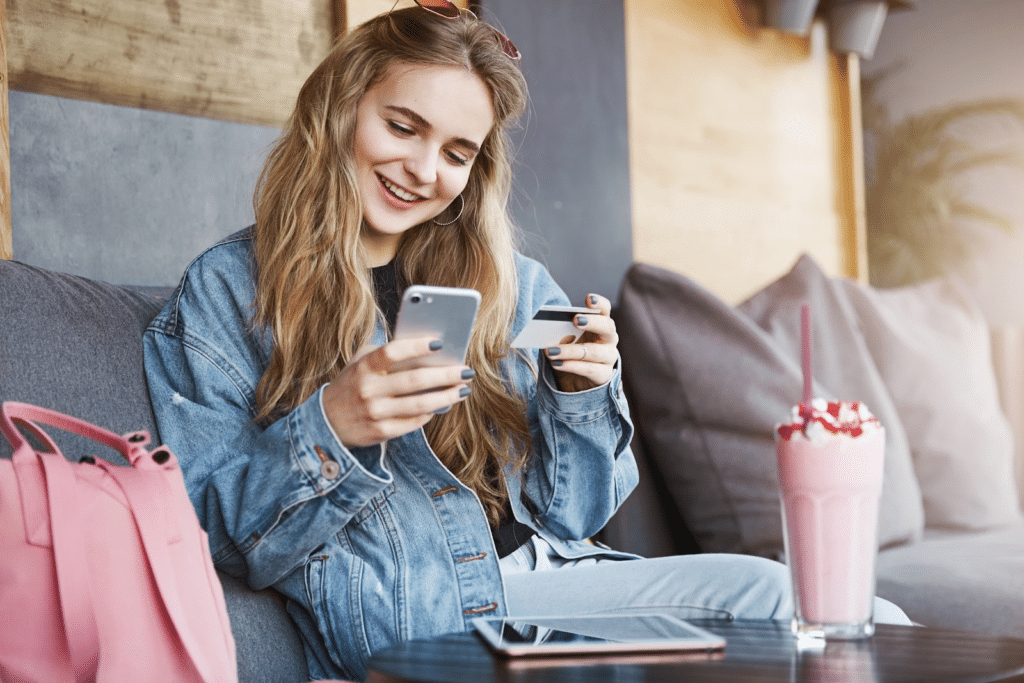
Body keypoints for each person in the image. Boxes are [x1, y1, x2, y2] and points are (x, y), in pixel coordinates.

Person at [143, 3, 910, 680]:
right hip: (421, 606)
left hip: (548, 578)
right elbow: (204, 531)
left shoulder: (507, 282)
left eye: (457, 153)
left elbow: (571, 515)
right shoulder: (228, 291)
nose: (424, 170)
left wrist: (581, 396)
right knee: (792, 603)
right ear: (339, 109)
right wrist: (334, 425)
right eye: (402, 127)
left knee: (863, 617)